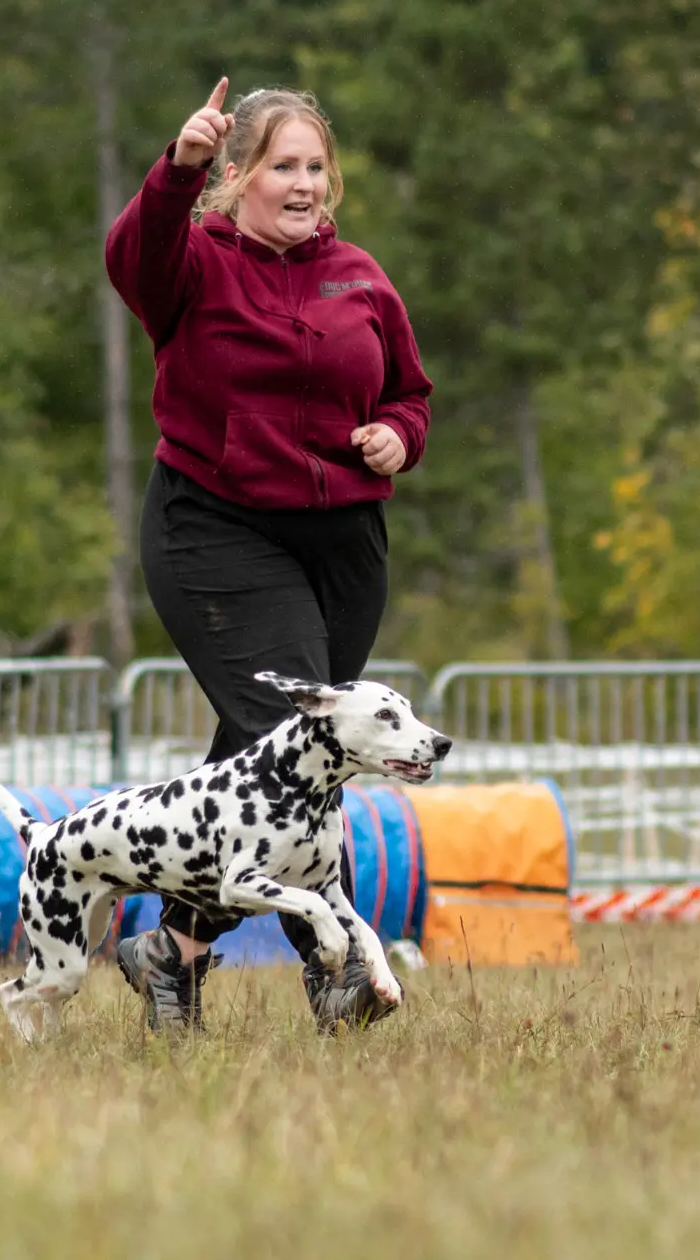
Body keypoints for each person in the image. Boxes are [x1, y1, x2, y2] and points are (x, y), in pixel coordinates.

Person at [101, 79, 433, 1033]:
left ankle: (174, 952)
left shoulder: (360, 276)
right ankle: (336, 963)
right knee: (289, 730)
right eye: (282, 166)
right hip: (216, 528)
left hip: (344, 543)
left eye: (315, 167)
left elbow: (411, 391)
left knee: (274, 748)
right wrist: (178, 169)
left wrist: (398, 438)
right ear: (237, 176)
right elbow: (132, 261)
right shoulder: (192, 261)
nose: (303, 185)